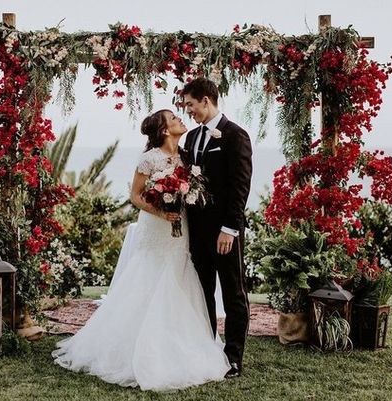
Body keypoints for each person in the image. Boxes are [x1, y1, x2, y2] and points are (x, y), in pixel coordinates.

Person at [52, 109, 230, 391]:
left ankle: (179, 341)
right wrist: (160, 211)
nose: (180, 120)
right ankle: (135, 346)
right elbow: (135, 195)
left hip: (181, 228)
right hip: (157, 226)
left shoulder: (186, 156)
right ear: (163, 130)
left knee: (179, 276)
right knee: (149, 278)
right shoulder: (149, 159)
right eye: (173, 119)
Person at [183, 77, 252, 378]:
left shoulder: (236, 135)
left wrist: (230, 229)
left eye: (191, 105)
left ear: (206, 101)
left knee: (233, 292)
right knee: (203, 291)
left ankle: (234, 357)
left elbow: (240, 187)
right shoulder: (191, 138)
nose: (189, 112)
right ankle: (208, 348)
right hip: (196, 229)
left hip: (225, 231)